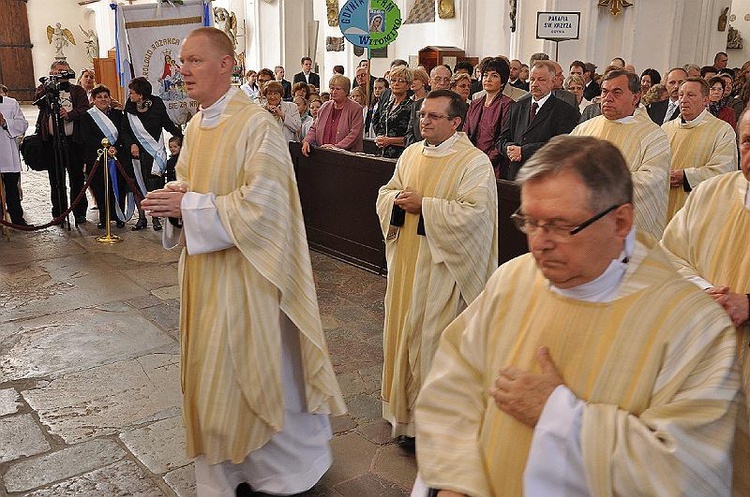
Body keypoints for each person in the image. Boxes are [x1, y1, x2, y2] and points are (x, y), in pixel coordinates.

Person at [413, 134, 738, 497]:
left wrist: (559, 416)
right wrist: (456, 482)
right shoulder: (513, 278)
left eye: (561, 225)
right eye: (531, 222)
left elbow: (688, 475)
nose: (539, 242)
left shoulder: (692, 325)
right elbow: (455, 384)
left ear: (620, 222)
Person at [140, 27, 345, 496]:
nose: (183, 70)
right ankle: (224, 472)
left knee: (258, 372)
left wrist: (189, 207)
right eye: (182, 62)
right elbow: (191, 184)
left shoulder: (257, 125)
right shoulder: (195, 126)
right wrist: (175, 200)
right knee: (214, 375)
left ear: (226, 64)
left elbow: (267, 204)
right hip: (207, 276)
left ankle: (286, 471)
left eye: (194, 61)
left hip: (251, 277)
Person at [376, 89, 498, 442]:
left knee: (431, 342)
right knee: (401, 334)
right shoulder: (412, 153)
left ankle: (429, 426)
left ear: (456, 122)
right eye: (422, 115)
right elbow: (388, 191)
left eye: (433, 116)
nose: (424, 120)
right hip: (406, 266)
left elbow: (477, 215)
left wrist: (425, 206)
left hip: (442, 271)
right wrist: (395, 201)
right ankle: (402, 414)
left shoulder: (473, 163)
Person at [660, 108, 750, 494]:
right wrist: (701, 291)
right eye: (749, 142)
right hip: (703, 354)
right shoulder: (712, 192)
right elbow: (669, 255)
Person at [571, 69, 670, 241]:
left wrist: (599, 184)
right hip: (583, 223)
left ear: (635, 97)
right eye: (604, 91)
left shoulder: (654, 135)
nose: (607, 98)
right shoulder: (585, 128)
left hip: (623, 234)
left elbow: (652, 181)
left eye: (616, 92)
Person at [662, 77, 736, 221]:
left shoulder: (722, 130)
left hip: (700, 210)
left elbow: (724, 172)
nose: (683, 99)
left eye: (690, 95)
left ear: (705, 100)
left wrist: (686, 176)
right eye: (681, 94)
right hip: (666, 205)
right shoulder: (666, 128)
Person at [497, 61, 579, 180]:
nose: (535, 84)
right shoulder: (517, 106)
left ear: (552, 82)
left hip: (544, 177)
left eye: (541, 80)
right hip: (516, 176)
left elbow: (561, 146)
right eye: (532, 79)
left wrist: (524, 151)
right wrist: (509, 148)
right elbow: (502, 139)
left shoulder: (565, 111)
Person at [121, 76, 182, 231]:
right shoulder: (130, 106)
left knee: (153, 187)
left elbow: (166, 123)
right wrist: (131, 144)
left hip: (153, 153)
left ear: (141, 95)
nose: (130, 95)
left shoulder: (157, 104)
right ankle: (141, 218)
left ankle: (155, 219)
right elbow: (125, 130)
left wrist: (181, 137)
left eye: (133, 93)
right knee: (137, 186)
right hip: (135, 153)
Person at [34, 59, 90, 225]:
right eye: (58, 71)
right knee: (56, 179)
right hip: (51, 141)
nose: (62, 75)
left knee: (77, 178)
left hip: (73, 141)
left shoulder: (77, 90)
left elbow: (85, 109)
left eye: (65, 71)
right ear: (52, 72)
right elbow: (37, 100)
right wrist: (50, 84)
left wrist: (70, 114)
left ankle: (79, 212)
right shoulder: (45, 89)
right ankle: (58, 212)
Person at [78, 84, 127, 229]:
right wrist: (105, 148)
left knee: (118, 186)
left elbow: (123, 133)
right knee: (100, 188)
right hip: (97, 157)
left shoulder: (117, 115)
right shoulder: (87, 116)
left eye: (106, 96)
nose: (103, 99)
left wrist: (115, 148)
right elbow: (87, 137)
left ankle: (119, 215)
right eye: (99, 97)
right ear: (93, 99)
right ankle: (104, 217)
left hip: (116, 156)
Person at [464, 57, 514, 176]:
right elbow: (465, 132)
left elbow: (504, 138)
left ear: (502, 81)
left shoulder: (508, 105)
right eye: (485, 75)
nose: (488, 79)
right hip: (471, 161)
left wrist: (485, 161)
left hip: (495, 165)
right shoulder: (475, 103)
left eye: (494, 76)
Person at [301, 75, 363, 155]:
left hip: (347, 157)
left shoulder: (355, 108)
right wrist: (307, 141)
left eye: (337, 89)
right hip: (324, 154)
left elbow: (355, 134)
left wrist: (336, 147)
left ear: (346, 91)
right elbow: (314, 128)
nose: (333, 92)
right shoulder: (325, 106)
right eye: (332, 88)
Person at [0, 88, 29, 226]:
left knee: (12, 189)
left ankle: (17, 219)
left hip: (8, 154)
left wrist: (5, 122)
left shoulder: (11, 103)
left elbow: (23, 124)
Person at [405, 65, 452, 146]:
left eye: (446, 80)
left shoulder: (456, 105)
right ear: (429, 81)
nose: (442, 83)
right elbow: (410, 134)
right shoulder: (417, 105)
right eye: (438, 79)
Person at [373, 65, 413, 159]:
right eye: (393, 80)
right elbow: (381, 126)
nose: (396, 84)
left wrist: (389, 141)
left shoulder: (412, 106)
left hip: (402, 155)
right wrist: (379, 138)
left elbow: (412, 137)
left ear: (408, 85)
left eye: (401, 81)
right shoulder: (388, 104)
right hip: (383, 153)